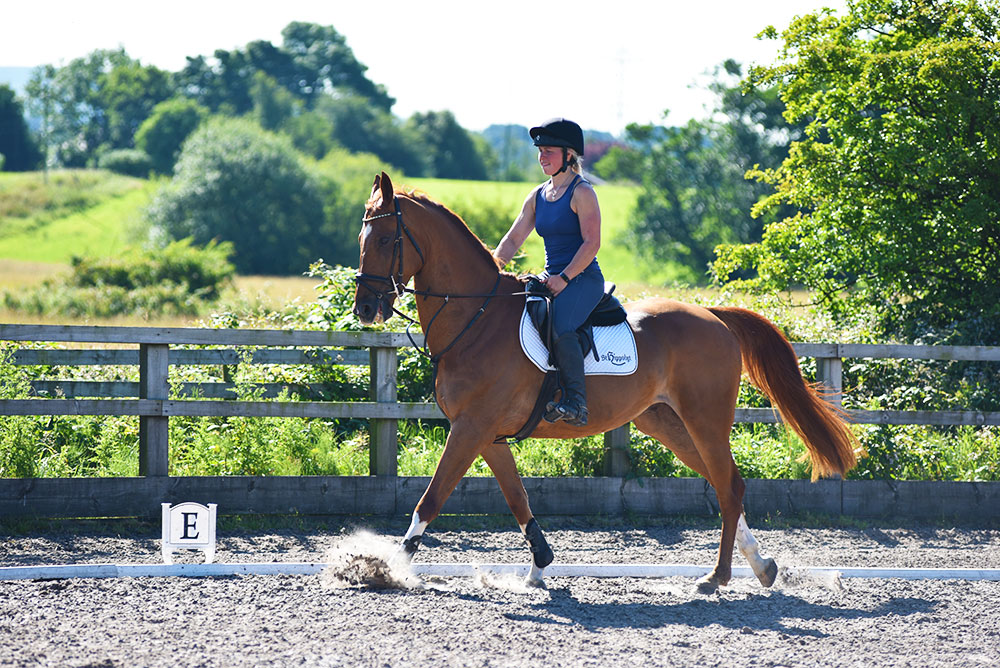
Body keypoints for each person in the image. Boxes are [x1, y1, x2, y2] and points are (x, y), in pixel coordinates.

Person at [493, 118, 604, 427]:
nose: (542, 157)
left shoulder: (583, 193)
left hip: (581, 279)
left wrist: (564, 278)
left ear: (569, 155)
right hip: (550, 278)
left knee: (561, 327)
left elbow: (592, 243)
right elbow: (513, 239)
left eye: (549, 151)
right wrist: (492, 270)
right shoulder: (538, 195)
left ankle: (576, 402)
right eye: (540, 151)